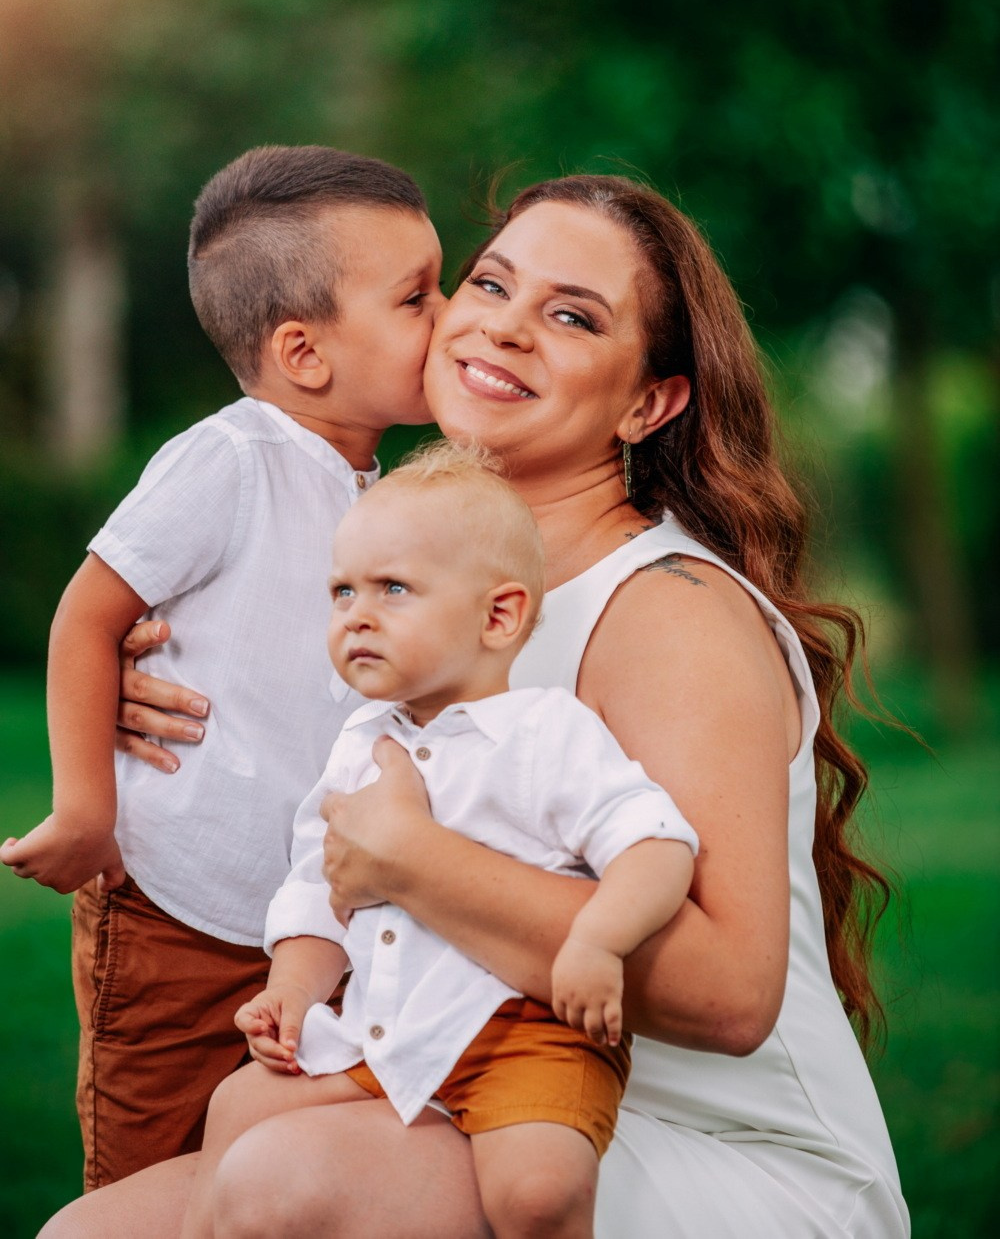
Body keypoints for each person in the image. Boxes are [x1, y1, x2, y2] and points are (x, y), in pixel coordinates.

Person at [40, 173, 909, 1238]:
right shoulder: (411, 562)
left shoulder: (667, 612)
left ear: (648, 405)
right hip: (453, 1074)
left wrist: (417, 862)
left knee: (284, 1180)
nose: (503, 326)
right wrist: (158, 678)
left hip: (702, 1143)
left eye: (573, 316)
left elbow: (731, 995)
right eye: (490, 284)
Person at [0, 145, 445, 1188]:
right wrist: (86, 810)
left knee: (266, 1169)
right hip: (177, 914)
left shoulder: (380, 492)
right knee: (146, 1169)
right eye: (416, 296)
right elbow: (87, 618)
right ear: (304, 351)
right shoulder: (232, 459)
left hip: (307, 928)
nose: (450, 313)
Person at [180, 442, 698, 1239]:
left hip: (528, 1037)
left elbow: (657, 845)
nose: (357, 614)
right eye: (342, 590)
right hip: (389, 1027)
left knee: (537, 1190)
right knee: (238, 1102)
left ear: (498, 616)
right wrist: (292, 990)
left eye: (393, 589)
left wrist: (598, 939)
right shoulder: (361, 743)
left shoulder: (544, 731)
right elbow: (319, 888)